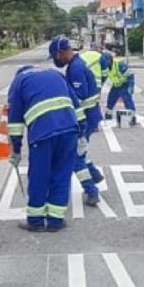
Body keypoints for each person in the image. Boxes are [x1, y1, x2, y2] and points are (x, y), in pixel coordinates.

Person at [7, 66, 82, 233]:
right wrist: (82, 133)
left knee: (39, 175)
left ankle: (35, 221)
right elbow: (76, 105)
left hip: (43, 133)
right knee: (62, 174)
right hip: (69, 130)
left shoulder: (19, 82)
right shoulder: (56, 74)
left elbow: (15, 121)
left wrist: (16, 149)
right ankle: (55, 220)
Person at [50, 36, 103, 206]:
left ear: (62, 52)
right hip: (89, 116)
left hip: (85, 118)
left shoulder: (76, 69)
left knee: (74, 156)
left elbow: (78, 97)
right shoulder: (75, 65)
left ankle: (91, 190)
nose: (55, 60)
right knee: (80, 151)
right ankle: (94, 175)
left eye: (55, 56)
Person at [105, 53, 137, 125]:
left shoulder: (119, 64)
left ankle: (132, 118)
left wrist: (130, 86)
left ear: (110, 60)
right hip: (116, 85)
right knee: (110, 100)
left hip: (125, 84)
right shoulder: (105, 67)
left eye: (107, 62)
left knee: (127, 101)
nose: (107, 64)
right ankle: (108, 116)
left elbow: (130, 74)